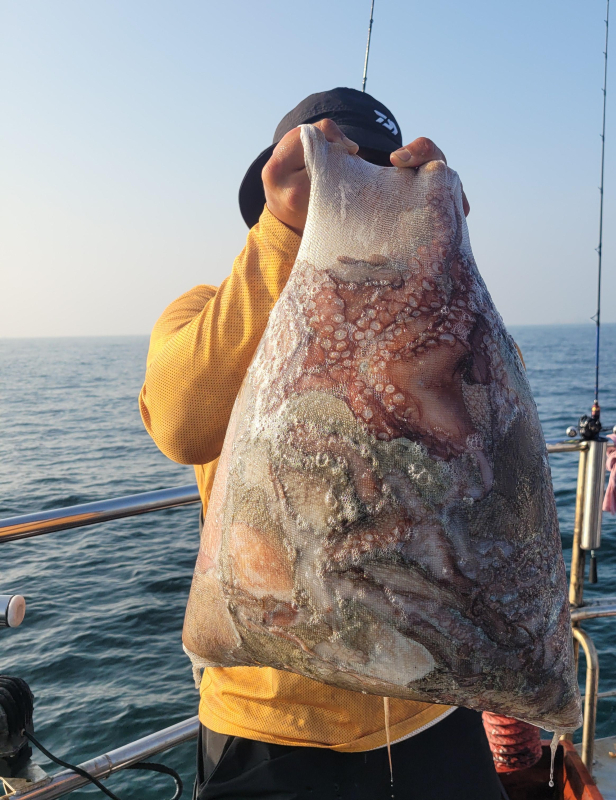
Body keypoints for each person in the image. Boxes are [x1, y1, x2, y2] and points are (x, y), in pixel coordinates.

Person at [139, 87, 503, 800]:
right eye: (331, 170)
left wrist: (444, 253)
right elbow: (185, 423)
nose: (355, 190)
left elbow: (487, 446)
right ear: (270, 191)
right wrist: (285, 232)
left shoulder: (427, 325)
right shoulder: (204, 310)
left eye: (378, 174)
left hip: (432, 705)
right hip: (269, 724)